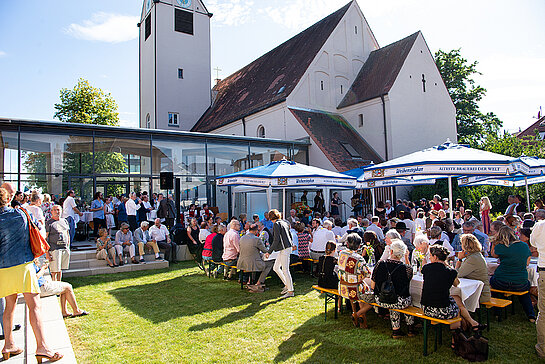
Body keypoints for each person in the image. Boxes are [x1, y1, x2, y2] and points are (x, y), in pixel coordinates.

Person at [0, 187, 63, 362]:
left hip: (3, 268)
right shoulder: (20, 214)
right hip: (23, 265)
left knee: (9, 306)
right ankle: (42, 346)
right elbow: (36, 227)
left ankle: (9, 344)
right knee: (34, 306)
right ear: (7, 199)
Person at [490, 225, 535, 322]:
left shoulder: (500, 247)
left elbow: (493, 254)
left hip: (500, 281)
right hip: (520, 283)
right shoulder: (524, 246)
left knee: (494, 287)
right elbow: (527, 263)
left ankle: (497, 313)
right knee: (525, 292)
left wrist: (494, 243)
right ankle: (531, 315)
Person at [371, 240, 416, 338]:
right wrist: (406, 258)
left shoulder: (380, 264)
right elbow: (410, 273)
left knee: (393, 300)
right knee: (406, 300)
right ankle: (410, 328)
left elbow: (372, 286)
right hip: (398, 301)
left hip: (380, 299)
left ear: (391, 252)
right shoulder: (406, 269)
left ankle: (396, 330)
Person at [265, 209, 294, 298]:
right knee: (276, 268)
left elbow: (276, 240)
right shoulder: (284, 222)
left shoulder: (276, 224)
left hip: (284, 248)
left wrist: (269, 252)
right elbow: (289, 235)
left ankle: (290, 291)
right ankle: (287, 286)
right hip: (286, 247)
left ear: (270, 217)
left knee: (285, 270)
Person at [455, 234, 491, 303]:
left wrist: (459, 259)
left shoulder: (472, 259)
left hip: (480, 293)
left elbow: (457, 274)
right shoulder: (476, 255)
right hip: (477, 289)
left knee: (455, 297)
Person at [238, 224, 275, 292]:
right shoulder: (256, 239)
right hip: (252, 263)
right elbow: (265, 250)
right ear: (256, 231)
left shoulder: (242, 238)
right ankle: (259, 282)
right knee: (269, 264)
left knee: (258, 262)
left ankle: (252, 281)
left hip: (242, 263)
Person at [530, 214, 545, 358]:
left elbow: (533, 243)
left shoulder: (540, 226)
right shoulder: (539, 225)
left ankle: (542, 349)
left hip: (544, 270)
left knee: (544, 312)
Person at [45, 205, 71, 281]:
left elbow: (67, 234)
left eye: (58, 210)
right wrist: (47, 253)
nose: (57, 212)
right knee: (54, 271)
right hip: (54, 249)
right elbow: (45, 238)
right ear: (51, 212)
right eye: (55, 210)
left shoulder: (64, 221)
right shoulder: (49, 223)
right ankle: (54, 288)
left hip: (64, 248)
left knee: (60, 269)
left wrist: (68, 246)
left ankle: (60, 287)